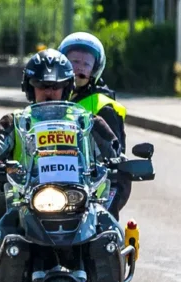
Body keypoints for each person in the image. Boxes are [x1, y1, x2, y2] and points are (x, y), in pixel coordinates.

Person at [0, 49, 123, 282]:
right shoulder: (17, 120)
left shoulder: (85, 120)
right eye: (42, 86)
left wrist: (121, 160)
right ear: (30, 89)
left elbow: (112, 147)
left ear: (67, 88)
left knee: (111, 228)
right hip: (26, 199)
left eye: (56, 87)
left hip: (79, 198)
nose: (49, 93)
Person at [59, 31, 131, 219]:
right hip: (58, 176)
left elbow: (115, 153)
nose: (79, 69)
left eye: (86, 64)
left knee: (104, 227)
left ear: (95, 69)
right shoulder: (53, 98)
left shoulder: (104, 106)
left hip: (102, 181)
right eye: (74, 62)